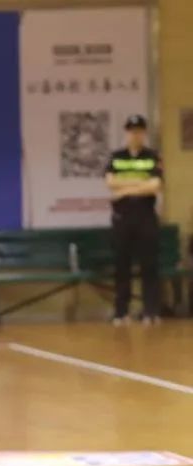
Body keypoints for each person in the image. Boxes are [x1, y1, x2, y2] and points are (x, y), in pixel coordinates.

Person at [105, 114, 164, 326]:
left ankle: (150, 311)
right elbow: (110, 183)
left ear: (144, 133)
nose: (135, 135)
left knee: (149, 264)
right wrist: (140, 184)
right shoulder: (116, 157)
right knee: (122, 264)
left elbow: (155, 186)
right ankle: (121, 312)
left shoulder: (152, 156)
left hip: (145, 215)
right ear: (126, 133)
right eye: (132, 131)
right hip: (123, 217)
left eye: (139, 131)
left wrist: (125, 190)